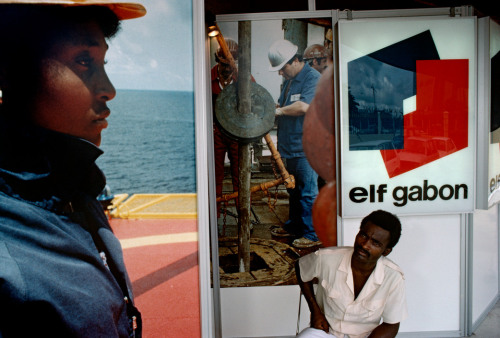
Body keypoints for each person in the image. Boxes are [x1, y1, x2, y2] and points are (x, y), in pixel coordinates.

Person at [0, 1, 146, 336]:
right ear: (7, 68)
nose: (109, 89)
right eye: (83, 61)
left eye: (103, 62)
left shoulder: (70, 187)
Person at [295, 210, 408, 338]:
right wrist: (315, 310)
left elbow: (391, 324)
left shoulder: (393, 277)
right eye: (363, 235)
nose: (365, 245)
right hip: (327, 332)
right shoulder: (326, 258)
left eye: (375, 243)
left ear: (386, 251)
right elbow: (301, 267)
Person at [267, 39, 322, 248]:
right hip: (290, 146)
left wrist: (279, 111)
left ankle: (312, 234)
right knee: (293, 190)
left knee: (308, 192)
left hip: (306, 148)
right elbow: (284, 104)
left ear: (296, 60)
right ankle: (294, 227)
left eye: (283, 68)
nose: (281, 73)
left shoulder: (312, 78)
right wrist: (273, 107)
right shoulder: (290, 81)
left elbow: (303, 106)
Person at [211, 38, 240, 216]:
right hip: (217, 133)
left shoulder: (244, 79)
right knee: (215, 176)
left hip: (237, 134)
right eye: (224, 64)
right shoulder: (208, 78)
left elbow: (257, 99)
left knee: (240, 176)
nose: (228, 68)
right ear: (218, 61)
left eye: (231, 64)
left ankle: (243, 214)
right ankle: (214, 216)